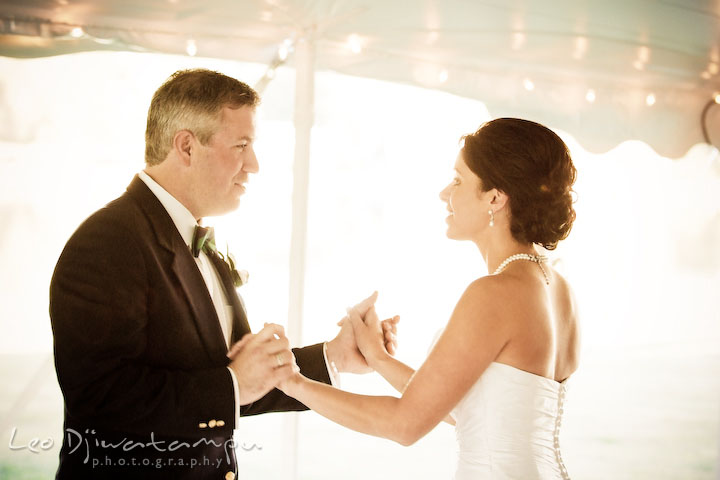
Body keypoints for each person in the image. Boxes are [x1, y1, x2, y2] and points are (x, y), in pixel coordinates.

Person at [49, 68, 398, 479]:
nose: (253, 165)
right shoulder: (109, 242)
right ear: (186, 147)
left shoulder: (196, 237)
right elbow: (101, 399)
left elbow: (232, 380)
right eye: (241, 145)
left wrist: (334, 357)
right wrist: (232, 385)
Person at [278, 118, 580, 479]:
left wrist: (289, 379)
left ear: (495, 198)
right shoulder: (559, 290)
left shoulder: (494, 293)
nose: (443, 193)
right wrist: (377, 356)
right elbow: (464, 410)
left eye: (457, 180)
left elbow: (404, 424)